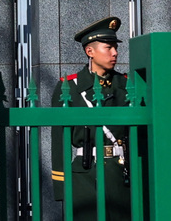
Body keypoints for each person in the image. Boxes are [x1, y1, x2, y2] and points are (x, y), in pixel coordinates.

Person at [50, 16, 132, 221]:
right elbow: (59, 139)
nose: (115, 53)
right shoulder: (70, 87)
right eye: (108, 47)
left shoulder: (127, 85)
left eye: (115, 47)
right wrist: (61, 185)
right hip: (85, 175)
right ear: (90, 52)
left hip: (122, 174)